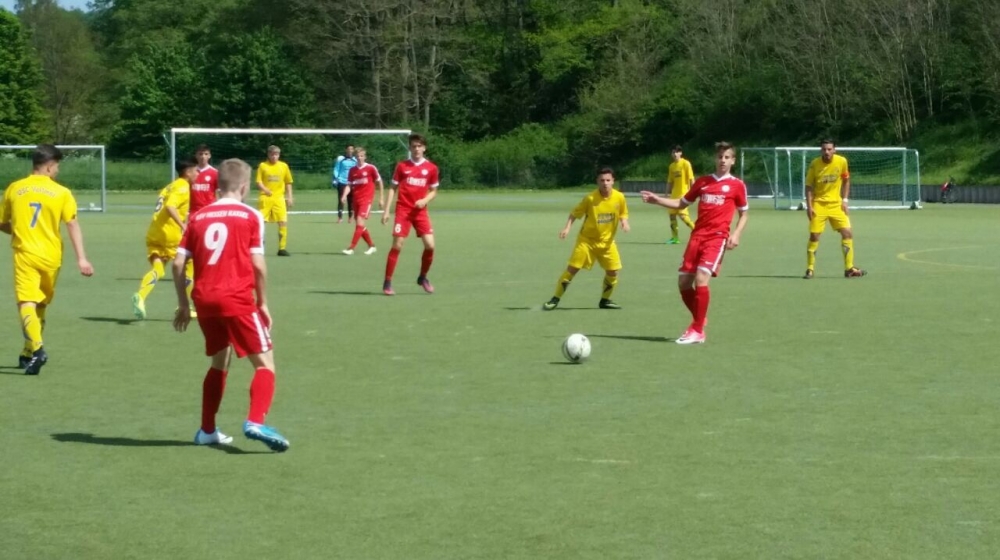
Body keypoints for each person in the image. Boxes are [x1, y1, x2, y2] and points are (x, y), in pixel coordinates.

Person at [173, 158, 290, 452]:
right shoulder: (251, 215)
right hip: (236, 299)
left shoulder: (198, 217)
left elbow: (177, 264)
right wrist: (263, 303)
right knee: (265, 364)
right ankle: (255, 421)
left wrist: (183, 304)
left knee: (219, 361)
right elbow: (258, 266)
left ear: (217, 185)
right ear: (245, 186)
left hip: (204, 300)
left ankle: (207, 430)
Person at [640, 141, 749, 345]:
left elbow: (744, 214)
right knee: (683, 283)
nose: (723, 160)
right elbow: (681, 203)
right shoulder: (703, 182)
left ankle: (697, 330)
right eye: (720, 157)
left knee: (701, 278)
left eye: (727, 157)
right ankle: (700, 319)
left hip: (717, 237)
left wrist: (736, 235)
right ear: (715, 159)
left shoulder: (737, 185)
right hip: (697, 237)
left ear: (733, 161)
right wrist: (657, 200)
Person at [0, 144, 94, 374]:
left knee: (26, 303)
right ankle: (27, 352)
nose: (58, 170)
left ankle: (37, 350)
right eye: (58, 166)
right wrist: (82, 259)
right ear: (50, 167)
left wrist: (19, 232)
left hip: (26, 253)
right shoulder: (62, 192)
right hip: (52, 256)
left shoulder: (15, 188)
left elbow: (2, 222)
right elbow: (72, 224)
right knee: (40, 303)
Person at [543, 168, 630, 310]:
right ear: (597, 181)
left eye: (608, 180)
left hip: (607, 243)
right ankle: (555, 299)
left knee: (613, 271)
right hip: (587, 241)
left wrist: (624, 222)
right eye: (602, 180)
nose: (605, 183)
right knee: (573, 269)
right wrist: (567, 228)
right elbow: (574, 214)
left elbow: (623, 213)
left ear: (613, 181)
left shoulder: (619, 197)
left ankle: (605, 300)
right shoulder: (590, 198)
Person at [132, 159, 197, 320]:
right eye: (196, 170)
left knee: (158, 269)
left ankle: (140, 296)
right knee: (190, 264)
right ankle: (184, 306)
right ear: (188, 172)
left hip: (155, 232)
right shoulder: (182, 186)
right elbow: (170, 206)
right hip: (170, 235)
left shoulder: (169, 186)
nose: (198, 174)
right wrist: (183, 225)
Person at [381, 134, 439, 295]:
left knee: (430, 245)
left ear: (424, 148)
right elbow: (392, 188)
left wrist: (425, 200)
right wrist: (386, 211)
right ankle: (387, 282)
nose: (417, 149)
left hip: (420, 212)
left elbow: (434, 191)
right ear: (410, 148)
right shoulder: (402, 166)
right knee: (397, 245)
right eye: (414, 146)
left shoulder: (431, 168)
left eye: (419, 146)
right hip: (403, 210)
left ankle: (423, 277)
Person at [804, 140, 866, 279]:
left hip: (836, 205)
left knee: (847, 233)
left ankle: (849, 268)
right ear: (821, 150)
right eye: (824, 149)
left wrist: (845, 200)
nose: (826, 152)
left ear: (834, 150)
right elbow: (808, 186)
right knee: (814, 236)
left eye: (829, 149)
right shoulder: (815, 164)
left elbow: (846, 180)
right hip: (819, 204)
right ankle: (810, 269)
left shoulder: (841, 161)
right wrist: (809, 206)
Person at [341, 147, 384, 255]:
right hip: (356, 200)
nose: (360, 158)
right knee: (360, 225)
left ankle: (351, 248)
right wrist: (344, 195)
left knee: (360, 222)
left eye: (361, 156)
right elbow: (349, 185)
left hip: (366, 199)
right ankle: (372, 246)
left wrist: (381, 198)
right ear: (355, 157)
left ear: (365, 157)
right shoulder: (352, 170)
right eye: (358, 156)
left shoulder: (370, 168)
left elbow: (379, 182)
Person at [256, 145, 294, 256]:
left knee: (283, 221)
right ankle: (260, 246)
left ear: (279, 155)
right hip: (265, 198)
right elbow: (258, 182)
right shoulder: (263, 166)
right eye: (272, 154)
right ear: (268, 154)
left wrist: (289, 197)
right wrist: (265, 190)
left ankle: (282, 248)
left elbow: (288, 182)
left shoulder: (284, 166)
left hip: (279, 198)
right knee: (262, 222)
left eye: (276, 154)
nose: (274, 157)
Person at [665, 145, 696, 244]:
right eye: (673, 152)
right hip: (674, 195)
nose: (674, 154)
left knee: (683, 216)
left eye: (676, 152)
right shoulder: (671, 166)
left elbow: (691, 179)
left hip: (684, 194)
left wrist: (694, 192)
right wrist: (667, 193)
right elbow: (670, 181)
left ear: (680, 153)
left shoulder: (685, 163)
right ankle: (675, 238)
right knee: (672, 215)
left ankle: (697, 232)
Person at [333, 145, 357, 224]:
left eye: (351, 149)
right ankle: (340, 218)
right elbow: (336, 169)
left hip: (351, 182)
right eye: (348, 149)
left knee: (351, 200)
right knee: (341, 199)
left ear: (353, 150)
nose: (350, 150)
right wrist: (336, 178)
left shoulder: (355, 160)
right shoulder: (341, 159)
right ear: (346, 150)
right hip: (342, 181)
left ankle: (350, 217)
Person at [191, 144, 218, 214]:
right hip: (193, 210)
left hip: (209, 209)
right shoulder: (190, 172)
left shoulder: (215, 173)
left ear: (209, 156)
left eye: (206, 154)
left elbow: (218, 192)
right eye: (200, 154)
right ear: (196, 155)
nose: (203, 157)